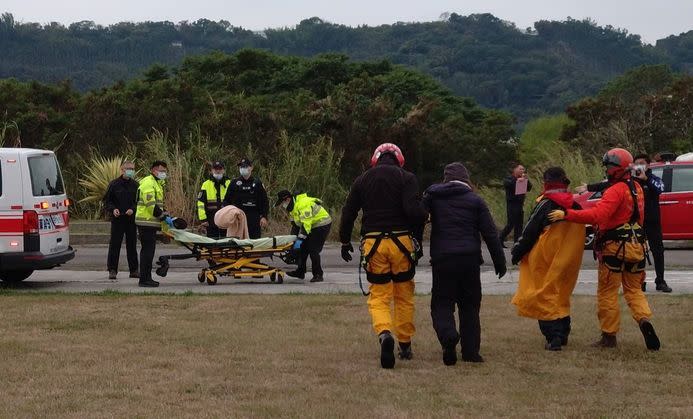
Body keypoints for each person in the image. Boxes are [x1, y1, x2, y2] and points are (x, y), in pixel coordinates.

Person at [549, 148, 660, 351]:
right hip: (637, 247)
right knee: (634, 290)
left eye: (609, 166)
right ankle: (644, 320)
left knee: (607, 293)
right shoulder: (637, 188)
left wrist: (567, 214)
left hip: (615, 249)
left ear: (616, 168)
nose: (607, 170)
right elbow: (639, 220)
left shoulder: (616, 190)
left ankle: (609, 337)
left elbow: (598, 215)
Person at [339, 143, 427, 369]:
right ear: (399, 159)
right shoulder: (407, 178)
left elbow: (348, 212)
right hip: (401, 244)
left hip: (374, 244)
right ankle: (405, 344)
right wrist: (424, 218)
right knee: (404, 295)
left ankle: (384, 333)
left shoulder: (362, 180)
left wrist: (345, 241)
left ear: (375, 159)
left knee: (379, 295)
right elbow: (413, 212)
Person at [423, 162, 506, 365]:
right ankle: (470, 352)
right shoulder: (475, 201)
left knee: (442, 303)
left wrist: (415, 250)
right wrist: (499, 262)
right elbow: (490, 234)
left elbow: (418, 218)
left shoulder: (433, 197)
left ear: (445, 179)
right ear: (467, 179)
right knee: (470, 306)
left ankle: (448, 335)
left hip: (443, 259)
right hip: (469, 259)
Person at [511, 167, 585, 351]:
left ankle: (553, 338)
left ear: (546, 183)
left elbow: (530, 230)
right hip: (568, 260)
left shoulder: (545, 204)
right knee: (561, 294)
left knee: (542, 295)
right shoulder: (575, 205)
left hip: (545, 258)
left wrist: (517, 251)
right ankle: (563, 332)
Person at [575, 154, 671, 293]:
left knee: (658, 251)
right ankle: (639, 281)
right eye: (636, 164)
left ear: (648, 165)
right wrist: (589, 187)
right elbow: (609, 184)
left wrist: (646, 178)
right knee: (638, 252)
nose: (638, 167)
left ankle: (660, 280)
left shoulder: (653, 179)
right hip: (637, 222)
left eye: (642, 164)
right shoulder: (629, 180)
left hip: (652, 221)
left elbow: (660, 188)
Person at [275, 190, 332, 282]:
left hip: (322, 224)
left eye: (282, 203)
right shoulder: (292, 207)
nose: (283, 205)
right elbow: (295, 226)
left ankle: (318, 274)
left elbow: (306, 225)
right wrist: (293, 242)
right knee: (303, 248)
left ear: (287, 199)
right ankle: (300, 272)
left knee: (313, 249)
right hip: (311, 225)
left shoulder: (302, 204)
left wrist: (298, 242)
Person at [135, 160, 169, 288]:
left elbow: (157, 204)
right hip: (146, 222)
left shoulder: (157, 183)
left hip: (150, 223)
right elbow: (151, 206)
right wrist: (162, 216)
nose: (163, 173)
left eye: (164, 171)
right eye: (161, 171)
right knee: (147, 252)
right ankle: (144, 280)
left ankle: (146, 278)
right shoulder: (148, 183)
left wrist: (163, 213)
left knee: (148, 251)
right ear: (153, 170)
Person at [103, 161, 139, 280]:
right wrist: (113, 209)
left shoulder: (136, 185)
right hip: (118, 220)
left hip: (131, 220)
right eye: (128, 168)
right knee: (115, 245)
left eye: (133, 169)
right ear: (122, 169)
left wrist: (133, 210)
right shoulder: (114, 184)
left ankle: (134, 270)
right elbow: (107, 201)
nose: (131, 171)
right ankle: (112, 270)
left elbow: (139, 202)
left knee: (132, 245)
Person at [223, 158, 269, 239]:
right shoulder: (234, 183)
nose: (242, 168)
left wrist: (264, 217)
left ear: (251, 167)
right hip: (238, 217)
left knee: (254, 242)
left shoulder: (257, 183)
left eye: (245, 166)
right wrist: (230, 214)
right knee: (238, 243)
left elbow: (264, 201)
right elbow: (226, 201)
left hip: (254, 217)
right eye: (241, 166)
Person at [499, 164, 532, 246]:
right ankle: (500, 239)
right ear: (515, 170)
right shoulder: (509, 179)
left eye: (523, 169)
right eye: (520, 169)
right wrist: (517, 181)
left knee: (519, 225)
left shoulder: (523, 179)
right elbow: (508, 185)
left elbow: (529, 188)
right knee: (511, 224)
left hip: (520, 204)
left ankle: (517, 242)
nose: (522, 171)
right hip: (512, 204)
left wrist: (526, 180)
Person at [197, 161, 231, 239]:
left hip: (226, 218)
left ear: (224, 170)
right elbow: (201, 203)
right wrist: (203, 219)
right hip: (211, 219)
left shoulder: (229, 183)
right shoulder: (206, 184)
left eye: (220, 169)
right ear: (212, 170)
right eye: (215, 169)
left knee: (226, 242)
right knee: (212, 244)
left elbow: (235, 202)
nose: (218, 171)